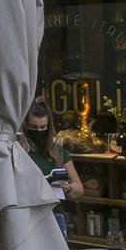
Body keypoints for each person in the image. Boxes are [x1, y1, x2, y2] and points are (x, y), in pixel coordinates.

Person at [21, 97, 83, 235]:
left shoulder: (56, 151)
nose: (39, 131)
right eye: (33, 127)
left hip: (54, 215)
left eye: (43, 127)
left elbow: (79, 188)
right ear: (25, 127)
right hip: (28, 214)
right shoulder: (20, 150)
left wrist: (68, 188)